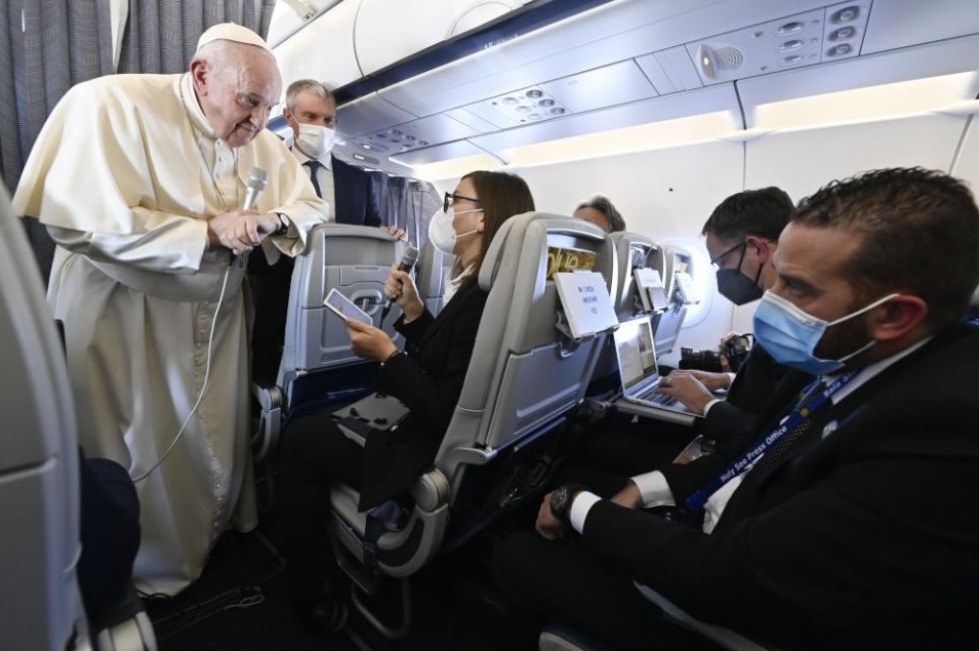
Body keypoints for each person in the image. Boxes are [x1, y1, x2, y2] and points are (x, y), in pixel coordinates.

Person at [493, 167, 979, 651]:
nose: (774, 297)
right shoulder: (862, 362)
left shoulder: (938, 428)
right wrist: (643, 491)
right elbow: (756, 448)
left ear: (895, 315)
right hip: (725, 529)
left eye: (798, 288)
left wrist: (575, 505)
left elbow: (726, 578)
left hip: (730, 611)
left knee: (516, 555)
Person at [12, 23, 327, 595]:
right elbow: (76, 220)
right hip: (124, 315)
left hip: (218, 319)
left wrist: (275, 220)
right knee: (126, 447)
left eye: (268, 108)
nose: (259, 123)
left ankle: (203, 540)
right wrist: (206, 232)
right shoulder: (110, 104)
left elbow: (308, 205)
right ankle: (120, 571)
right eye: (249, 102)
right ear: (201, 75)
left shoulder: (259, 139)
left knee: (208, 441)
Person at [276, 170, 536, 634]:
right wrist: (415, 313)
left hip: (425, 455)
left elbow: (444, 407)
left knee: (299, 438)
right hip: (448, 445)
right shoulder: (486, 292)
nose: (449, 208)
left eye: (457, 199)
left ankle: (308, 594)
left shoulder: (481, 298)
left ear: (484, 218)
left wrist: (387, 355)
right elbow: (454, 364)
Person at [565, 187, 805, 480]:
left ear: (757, 249)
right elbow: (772, 389)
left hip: (734, 456)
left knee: (590, 447)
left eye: (721, 263)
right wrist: (725, 379)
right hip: (730, 432)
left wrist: (706, 403)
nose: (720, 274)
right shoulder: (782, 311)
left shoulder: (793, 320)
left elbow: (775, 430)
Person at [249, 78, 402, 384]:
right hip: (277, 294)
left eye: (328, 120)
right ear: (289, 117)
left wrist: (389, 237)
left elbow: (371, 230)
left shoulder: (359, 180)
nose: (321, 126)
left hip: (340, 298)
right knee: (269, 373)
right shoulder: (266, 168)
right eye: (310, 117)